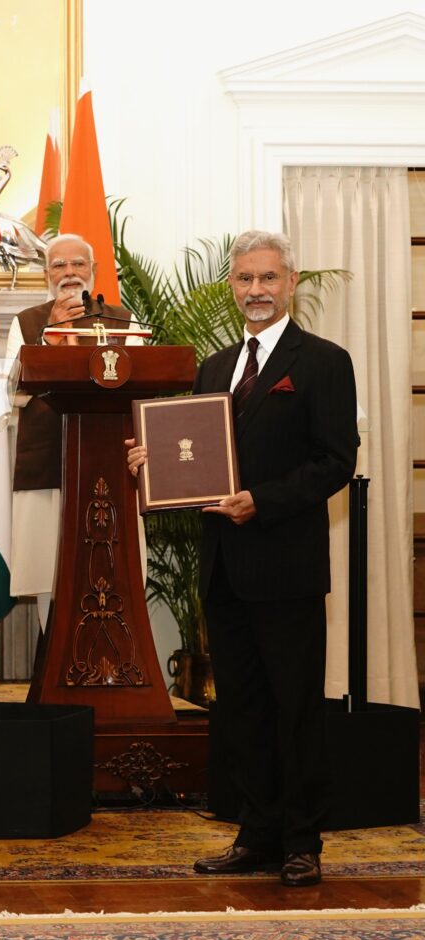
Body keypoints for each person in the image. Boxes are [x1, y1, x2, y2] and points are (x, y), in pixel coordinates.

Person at [126, 230, 359, 887]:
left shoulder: (324, 361)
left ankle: (302, 842)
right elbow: (197, 455)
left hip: (287, 566)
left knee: (295, 709)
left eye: (268, 278)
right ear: (231, 286)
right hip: (223, 569)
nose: (256, 290)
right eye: (245, 279)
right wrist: (150, 462)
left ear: (291, 282)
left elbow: (335, 461)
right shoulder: (214, 366)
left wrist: (262, 500)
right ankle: (256, 836)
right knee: (244, 711)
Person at [5, 234, 131, 630]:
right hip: (47, 462)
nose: (69, 272)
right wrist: (50, 334)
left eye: (78, 263)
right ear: (46, 273)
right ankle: (53, 651)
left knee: (112, 569)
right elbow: (11, 390)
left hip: (108, 458)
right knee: (49, 572)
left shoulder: (122, 319)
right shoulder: (27, 321)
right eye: (59, 265)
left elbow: (137, 383)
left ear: (93, 270)